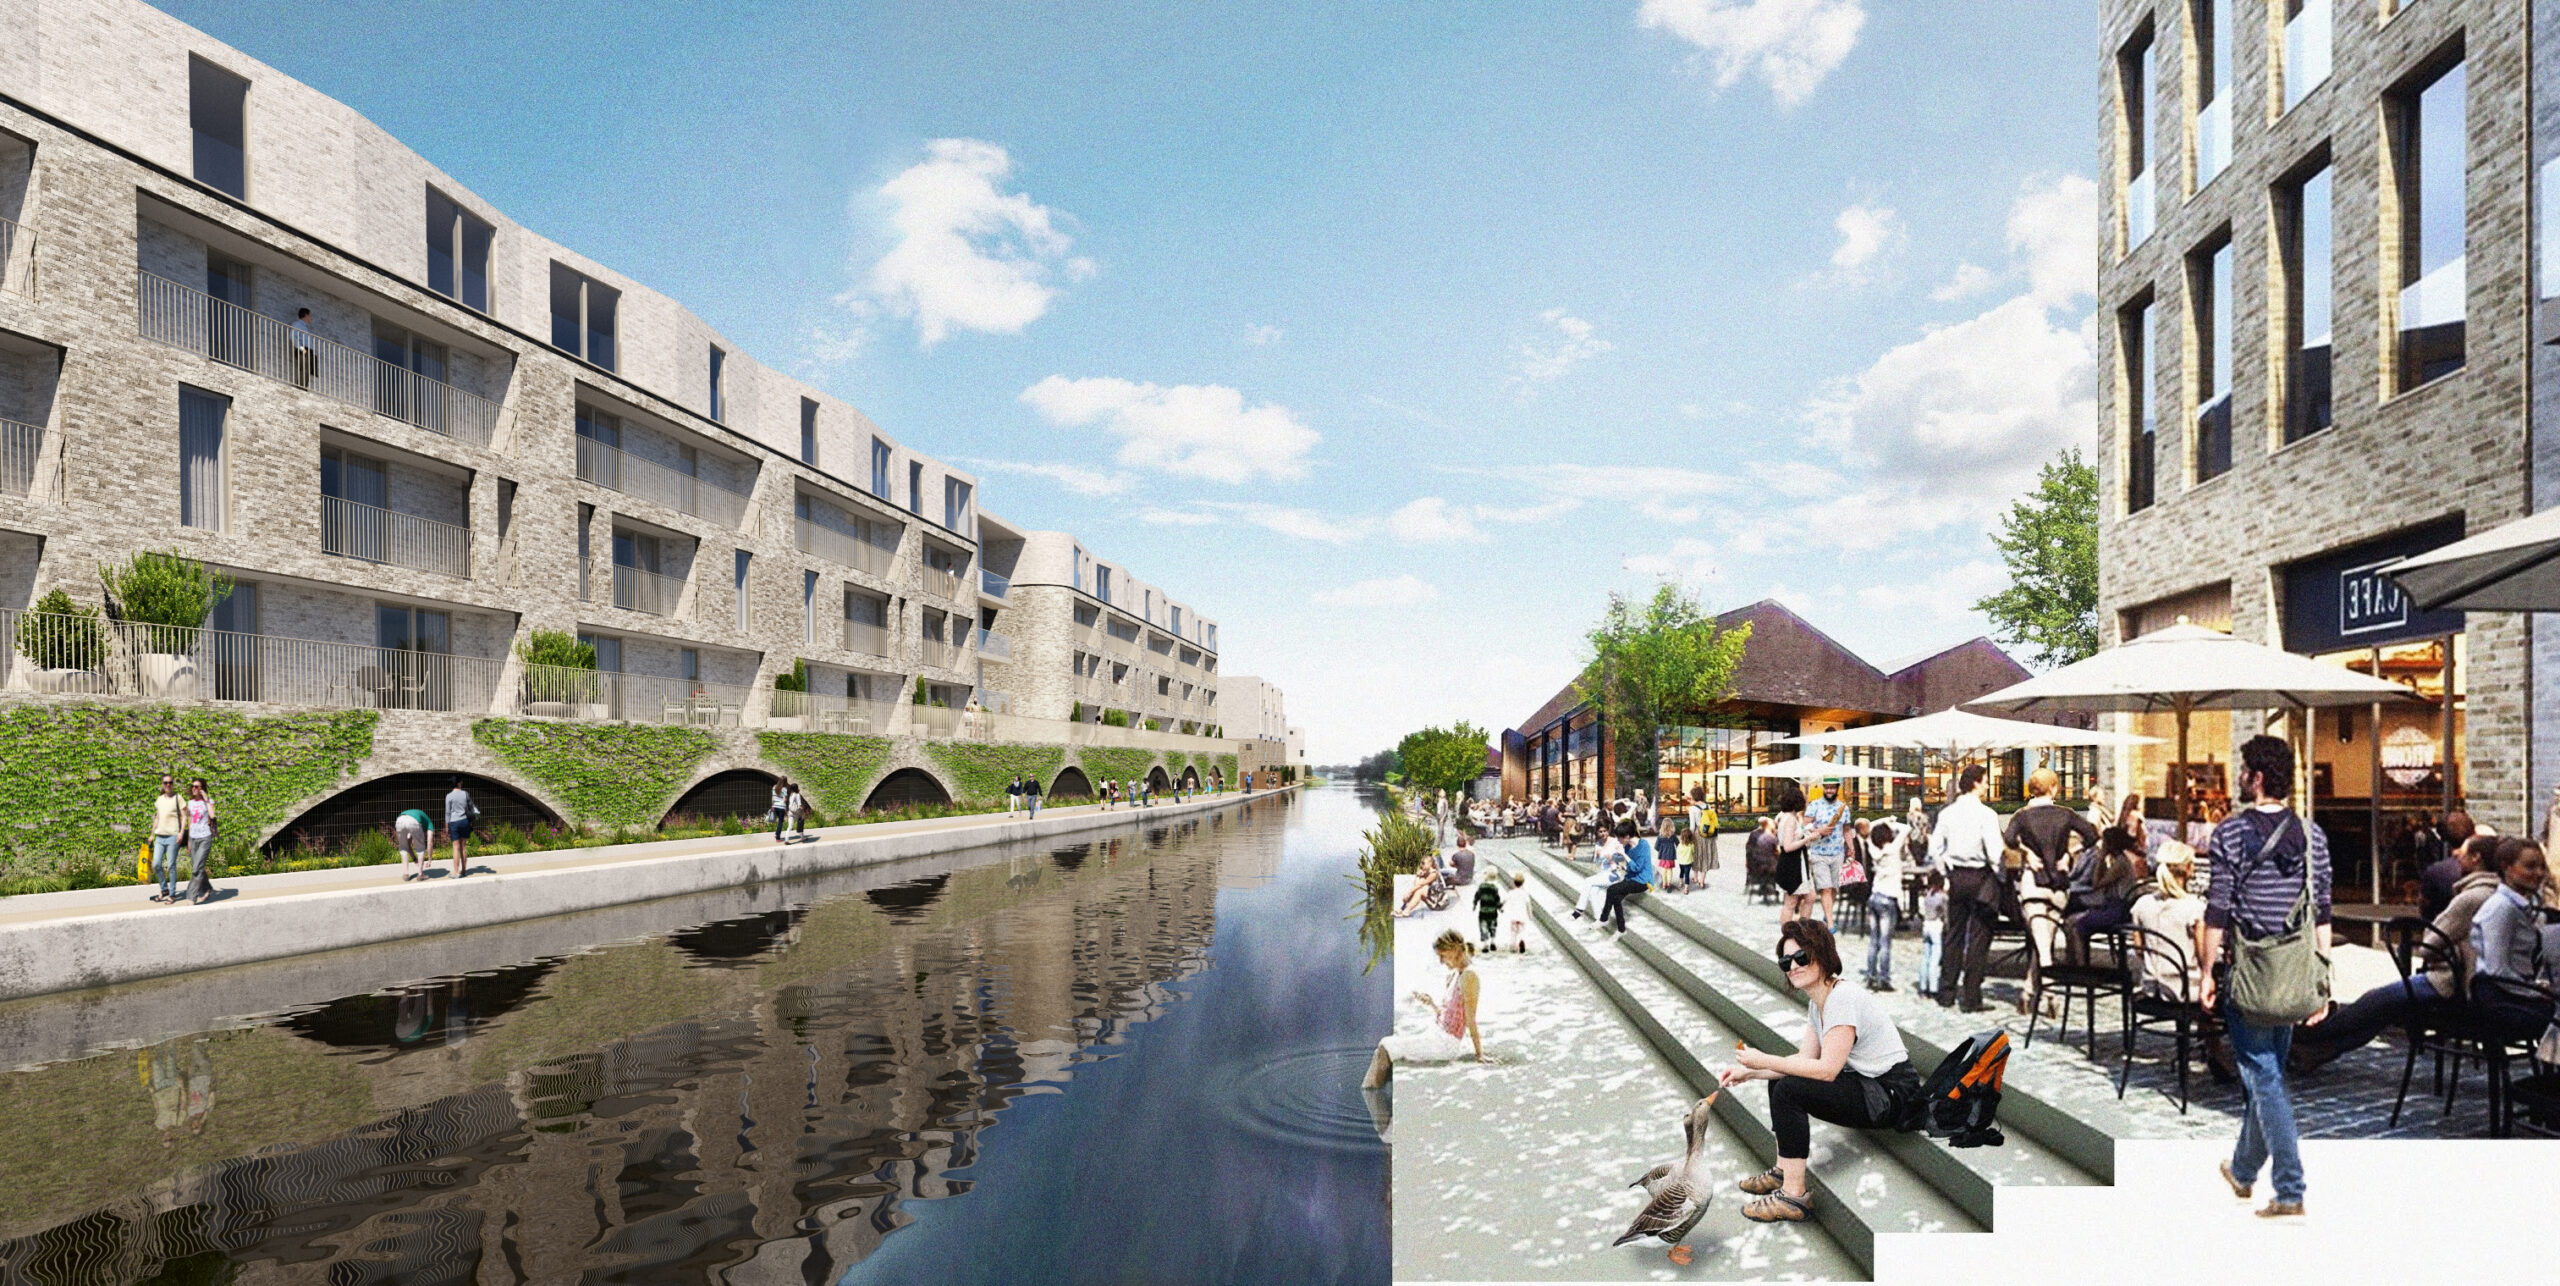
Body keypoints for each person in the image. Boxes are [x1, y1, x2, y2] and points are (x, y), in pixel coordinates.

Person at [2201, 734, 2331, 1220]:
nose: (2238, 777)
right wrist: (2323, 980)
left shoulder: (2231, 834)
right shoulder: (2312, 835)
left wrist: (2205, 972)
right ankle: (2242, 1169)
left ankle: (2291, 1188)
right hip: (2295, 971)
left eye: (2242, 769)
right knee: (2268, 1072)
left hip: (2252, 973)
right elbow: (2323, 913)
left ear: (2256, 777)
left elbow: (2218, 908)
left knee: (2263, 1076)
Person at [1719, 918, 1919, 1225]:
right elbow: (1804, 1058)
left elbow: (1826, 1070)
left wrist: (1765, 1060)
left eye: (1802, 957)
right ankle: (1785, 1170)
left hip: (1891, 1094)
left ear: (1822, 955)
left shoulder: (1842, 998)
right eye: (1786, 961)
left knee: (1789, 1089)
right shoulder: (1820, 1001)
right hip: (1868, 1084)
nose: (1793, 966)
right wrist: (1751, 1073)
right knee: (1783, 1081)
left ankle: (1794, 1196)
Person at [2005, 768, 2099, 995]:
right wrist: (2070, 853)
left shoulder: (2022, 816)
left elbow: (2008, 839)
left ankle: (2045, 989)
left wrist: (2026, 851)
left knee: (2041, 940)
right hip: (2059, 881)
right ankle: (2035, 988)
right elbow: (2093, 834)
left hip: (2033, 880)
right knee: (2045, 939)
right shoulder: (2065, 814)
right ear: (2054, 788)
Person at [1364, 929, 1488, 1086]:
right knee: (1381, 1050)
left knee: (1385, 1046)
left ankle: (1371, 1101)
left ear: (1454, 950)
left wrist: (1479, 1054)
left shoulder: (1469, 976)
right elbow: (1452, 1016)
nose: (1441, 961)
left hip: (1446, 1044)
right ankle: (1370, 1096)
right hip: (1439, 1035)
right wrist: (1432, 1004)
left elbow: (1470, 1019)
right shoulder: (1456, 974)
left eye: (1442, 955)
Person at [1930, 764, 2004, 1012]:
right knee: (1979, 938)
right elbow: (1995, 853)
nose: (1987, 785)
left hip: (1956, 877)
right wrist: (2002, 877)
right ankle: (1971, 997)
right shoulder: (1987, 815)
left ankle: (1946, 992)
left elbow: (1935, 848)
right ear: (1976, 782)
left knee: (1953, 935)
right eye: (1985, 781)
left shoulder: (1947, 813)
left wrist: (1945, 871)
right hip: (1980, 877)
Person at [1862, 821, 1904, 991]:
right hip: (1888, 897)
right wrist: (1893, 821)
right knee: (1885, 942)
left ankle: (1871, 976)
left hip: (1874, 896)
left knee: (1874, 941)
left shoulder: (1874, 850)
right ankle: (1884, 978)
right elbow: (1906, 829)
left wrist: (1880, 822)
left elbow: (1869, 826)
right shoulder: (1893, 849)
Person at [1804, 781, 1851, 923]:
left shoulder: (1843, 808)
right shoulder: (1814, 805)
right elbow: (1804, 826)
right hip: (1819, 853)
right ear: (1823, 788)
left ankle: (1827, 913)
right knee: (1826, 888)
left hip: (1838, 853)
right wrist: (1819, 831)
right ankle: (1830, 922)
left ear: (1837, 789)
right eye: (1827, 788)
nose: (1829, 790)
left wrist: (1851, 848)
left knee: (1835, 887)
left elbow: (1847, 830)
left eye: (1832, 788)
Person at [2419, 810, 2477, 923]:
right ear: (2473, 832)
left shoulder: (2436, 872)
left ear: (2443, 837)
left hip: (2445, 932)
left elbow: (2425, 908)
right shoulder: (2489, 866)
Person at [1601, 825, 1656, 933]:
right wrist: (1621, 865)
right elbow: (1629, 865)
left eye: (1619, 838)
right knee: (1616, 897)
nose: (1618, 840)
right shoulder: (1627, 847)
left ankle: (1604, 918)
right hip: (1632, 878)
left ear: (1626, 836)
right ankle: (1621, 928)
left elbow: (1637, 867)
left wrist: (1623, 854)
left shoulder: (1643, 845)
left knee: (1611, 889)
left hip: (1643, 881)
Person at [1772, 783, 1813, 920]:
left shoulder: (1786, 817)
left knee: (1809, 896)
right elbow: (1788, 846)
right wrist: (1808, 838)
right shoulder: (1790, 819)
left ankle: (1802, 928)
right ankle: (1789, 933)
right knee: (1791, 901)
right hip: (1793, 863)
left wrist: (1805, 834)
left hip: (1794, 861)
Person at [181, 778, 218, 905]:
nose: (194, 788)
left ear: (202, 788)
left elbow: (212, 816)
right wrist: (189, 841)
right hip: (193, 837)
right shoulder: (190, 802)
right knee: (198, 867)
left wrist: (206, 799)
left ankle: (191, 896)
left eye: (197, 786)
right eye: (192, 786)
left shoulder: (208, 801)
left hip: (205, 838)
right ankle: (207, 888)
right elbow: (191, 820)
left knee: (196, 868)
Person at [148, 775, 184, 904]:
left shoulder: (178, 798)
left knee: (171, 866)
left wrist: (181, 833)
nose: (168, 785)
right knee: (156, 864)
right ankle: (164, 889)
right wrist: (152, 834)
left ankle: (173, 894)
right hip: (159, 837)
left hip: (172, 837)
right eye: (165, 782)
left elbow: (184, 816)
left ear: (173, 784)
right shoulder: (159, 799)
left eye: (170, 782)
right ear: (162, 784)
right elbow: (157, 817)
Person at [1916, 871, 1948, 999]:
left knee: (1925, 959)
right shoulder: (1942, 896)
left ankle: (1923, 987)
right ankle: (1933, 988)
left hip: (1926, 925)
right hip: (1936, 926)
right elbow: (1946, 915)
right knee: (1935, 960)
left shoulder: (1928, 895)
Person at [443, 777, 479, 879]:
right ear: (458, 783)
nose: (462, 783)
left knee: (455, 847)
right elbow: (470, 807)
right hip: (464, 821)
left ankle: (456, 872)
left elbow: (447, 813)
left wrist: (446, 827)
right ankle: (464, 870)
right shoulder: (465, 794)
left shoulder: (449, 796)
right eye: (461, 781)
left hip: (454, 823)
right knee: (463, 847)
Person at [394, 805, 435, 881]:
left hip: (400, 820)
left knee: (403, 847)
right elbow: (429, 843)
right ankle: (420, 875)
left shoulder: (421, 818)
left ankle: (406, 874)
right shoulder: (429, 824)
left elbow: (408, 845)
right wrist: (429, 859)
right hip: (414, 821)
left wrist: (414, 859)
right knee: (420, 849)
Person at [1499, 870, 1532, 953]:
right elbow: (1528, 905)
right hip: (1522, 916)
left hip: (1513, 916)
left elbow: (1503, 901)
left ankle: (1513, 946)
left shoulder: (1511, 892)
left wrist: (1501, 908)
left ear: (1514, 883)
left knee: (1513, 932)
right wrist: (1530, 914)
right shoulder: (1525, 894)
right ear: (1523, 883)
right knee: (1522, 931)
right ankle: (1521, 941)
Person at [1474, 874, 1505, 949]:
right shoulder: (1495, 888)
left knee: (1483, 927)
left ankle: (1485, 944)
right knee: (1492, 927)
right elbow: (1497, 900)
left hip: (1483, 912)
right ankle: (1492, 942)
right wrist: (1500, 907)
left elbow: (1477, 896)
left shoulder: (1481, 887)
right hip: (1493, 912)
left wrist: (1474, 904)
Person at [289, 307, 316, 388]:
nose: (311, 318)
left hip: (308, 351)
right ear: (306, 315)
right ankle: (300, 388)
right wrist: (301, 349)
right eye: (310, 315)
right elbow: (293, 336)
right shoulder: (298, 324)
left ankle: (304, 387)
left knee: (307, 370)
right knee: (304, 369)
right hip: (303, 350)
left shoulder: (304, 326)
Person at [769, 779, 792, 843]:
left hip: (775, 806)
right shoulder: (784, 789)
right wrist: (787, 798)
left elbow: (773, 797)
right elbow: (784, 800)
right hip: (781, 806)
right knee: (780, 822)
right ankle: (777, 837)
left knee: (780, 821)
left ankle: (776, 833)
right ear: (785, 782)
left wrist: (772, 805)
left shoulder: (774, 787)